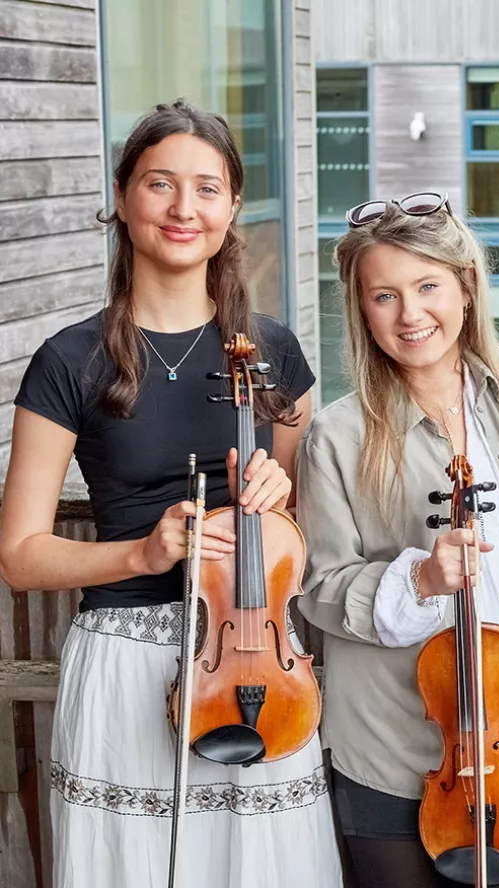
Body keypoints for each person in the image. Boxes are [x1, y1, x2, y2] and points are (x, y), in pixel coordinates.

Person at [0, 101, 342, 887]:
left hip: (257, 665)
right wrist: (143, 551)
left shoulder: (276, 350)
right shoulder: (67, 360)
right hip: (124, 654)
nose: (184, 209)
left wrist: (280, 492)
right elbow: (19, 555)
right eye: (160, 184)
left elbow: (295, 530)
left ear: (230, 209)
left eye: (207, 188)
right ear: (122, 198)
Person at [296, 192, 499, 888]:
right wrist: (420, 581)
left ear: (465, 286)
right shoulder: (336, 437)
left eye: (428, 286)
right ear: (361, 308)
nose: (410, 314)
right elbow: (317, 588)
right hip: (394, 743)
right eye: (384, 295)